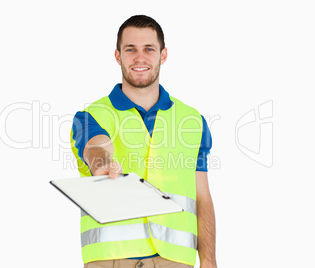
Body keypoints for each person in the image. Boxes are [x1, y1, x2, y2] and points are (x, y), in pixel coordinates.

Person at [71, 15, 217, 268]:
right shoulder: (91, 115)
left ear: (163, 54)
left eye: (149, 49)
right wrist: (102, 163)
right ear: (118, 56)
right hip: (111, 260)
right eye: (131, 49)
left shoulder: (192, 120)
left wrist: (209, 260)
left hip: (175, 261)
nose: (140, 58)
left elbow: (202, 196)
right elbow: (96, 146)